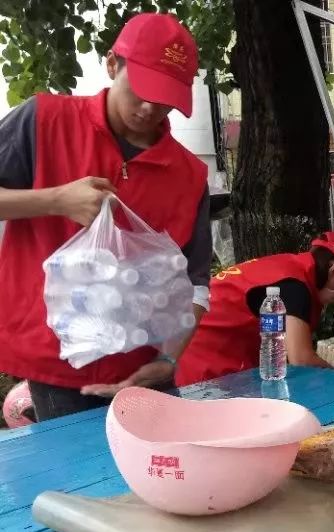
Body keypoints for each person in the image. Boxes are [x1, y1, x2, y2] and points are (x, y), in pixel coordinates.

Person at [0, 14, 211, 420]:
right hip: (62, 369)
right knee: (84, 479)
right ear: (113, 65)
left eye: (165, 96)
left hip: (147, 369)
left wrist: (169, 358)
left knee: (166, 475)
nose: (150, 107)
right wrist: (55, 200)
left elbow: (196, 282)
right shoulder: (46, 121)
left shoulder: (188, 174)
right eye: (142, 89)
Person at [176, 232, 334, 386]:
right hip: (205, 358)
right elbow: (301, 358)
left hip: (189, 336)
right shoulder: (296, 286)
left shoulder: (289, 267)